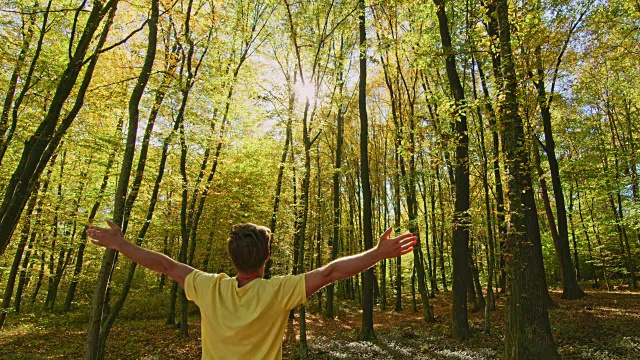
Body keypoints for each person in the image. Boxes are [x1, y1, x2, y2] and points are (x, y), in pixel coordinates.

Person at [86, 221, 416, 360]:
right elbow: (330, 272)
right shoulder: (279, 291)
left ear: (231, 257)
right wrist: (378, 253)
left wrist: (120, 244)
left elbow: (166, 266)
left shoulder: (208, 287)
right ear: (267, 258)